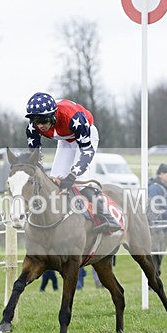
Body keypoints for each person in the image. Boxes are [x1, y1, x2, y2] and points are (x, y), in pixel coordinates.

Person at [25, 92, 120, 233]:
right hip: (65, 140)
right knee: (55, 178)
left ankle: (107, 216)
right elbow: (35, 158)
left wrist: (73, 174)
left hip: (86, 135)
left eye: (44, 121)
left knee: (80, 180)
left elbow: (86, 152)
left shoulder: (74, 118)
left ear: (53, 116)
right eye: (36, 121)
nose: (40, 125)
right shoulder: (32, 128)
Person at [147, 163, 167, 276]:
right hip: (157, 229)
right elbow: (153, 208)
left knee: (159, 257)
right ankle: (152, 281)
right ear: (161, 174)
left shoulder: (164, 188)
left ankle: (155, 279)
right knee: (155, 257)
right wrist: (157, 226)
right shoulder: (155, 188)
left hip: (165, 227)